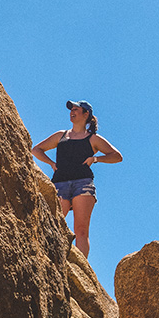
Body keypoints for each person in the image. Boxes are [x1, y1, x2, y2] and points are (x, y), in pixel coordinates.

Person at [32, 99, 122, 257]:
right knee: (53, 222)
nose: (72, 112)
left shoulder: (93, 139)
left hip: (83, 183)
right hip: (60, 182)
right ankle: (49, 258)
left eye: (76, 109)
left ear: (86, 114)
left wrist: (95, 159)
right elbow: (36, 150)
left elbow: (116, 156)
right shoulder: (61, 135)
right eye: (71, 109)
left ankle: (82, 268)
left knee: (81, 230)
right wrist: (52, 163)